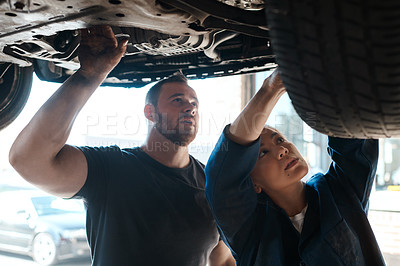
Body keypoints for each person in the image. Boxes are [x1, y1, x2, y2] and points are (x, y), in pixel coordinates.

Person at [9, 26, 235, 266]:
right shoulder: (112, 168)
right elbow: (27, 159)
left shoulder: (209, 182)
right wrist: (88, 77)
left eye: (194, 103)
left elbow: (220, 259)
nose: (190, 108)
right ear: (150, 112)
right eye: (177, 100)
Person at [205, 69, 385, 265]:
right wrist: (271, 88)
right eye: (263, 153)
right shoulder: (248, 229)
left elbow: (352, 136)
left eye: (280, 139)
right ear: (253, 183)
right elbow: (224, 174)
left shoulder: (339, 192)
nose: (282, 149)